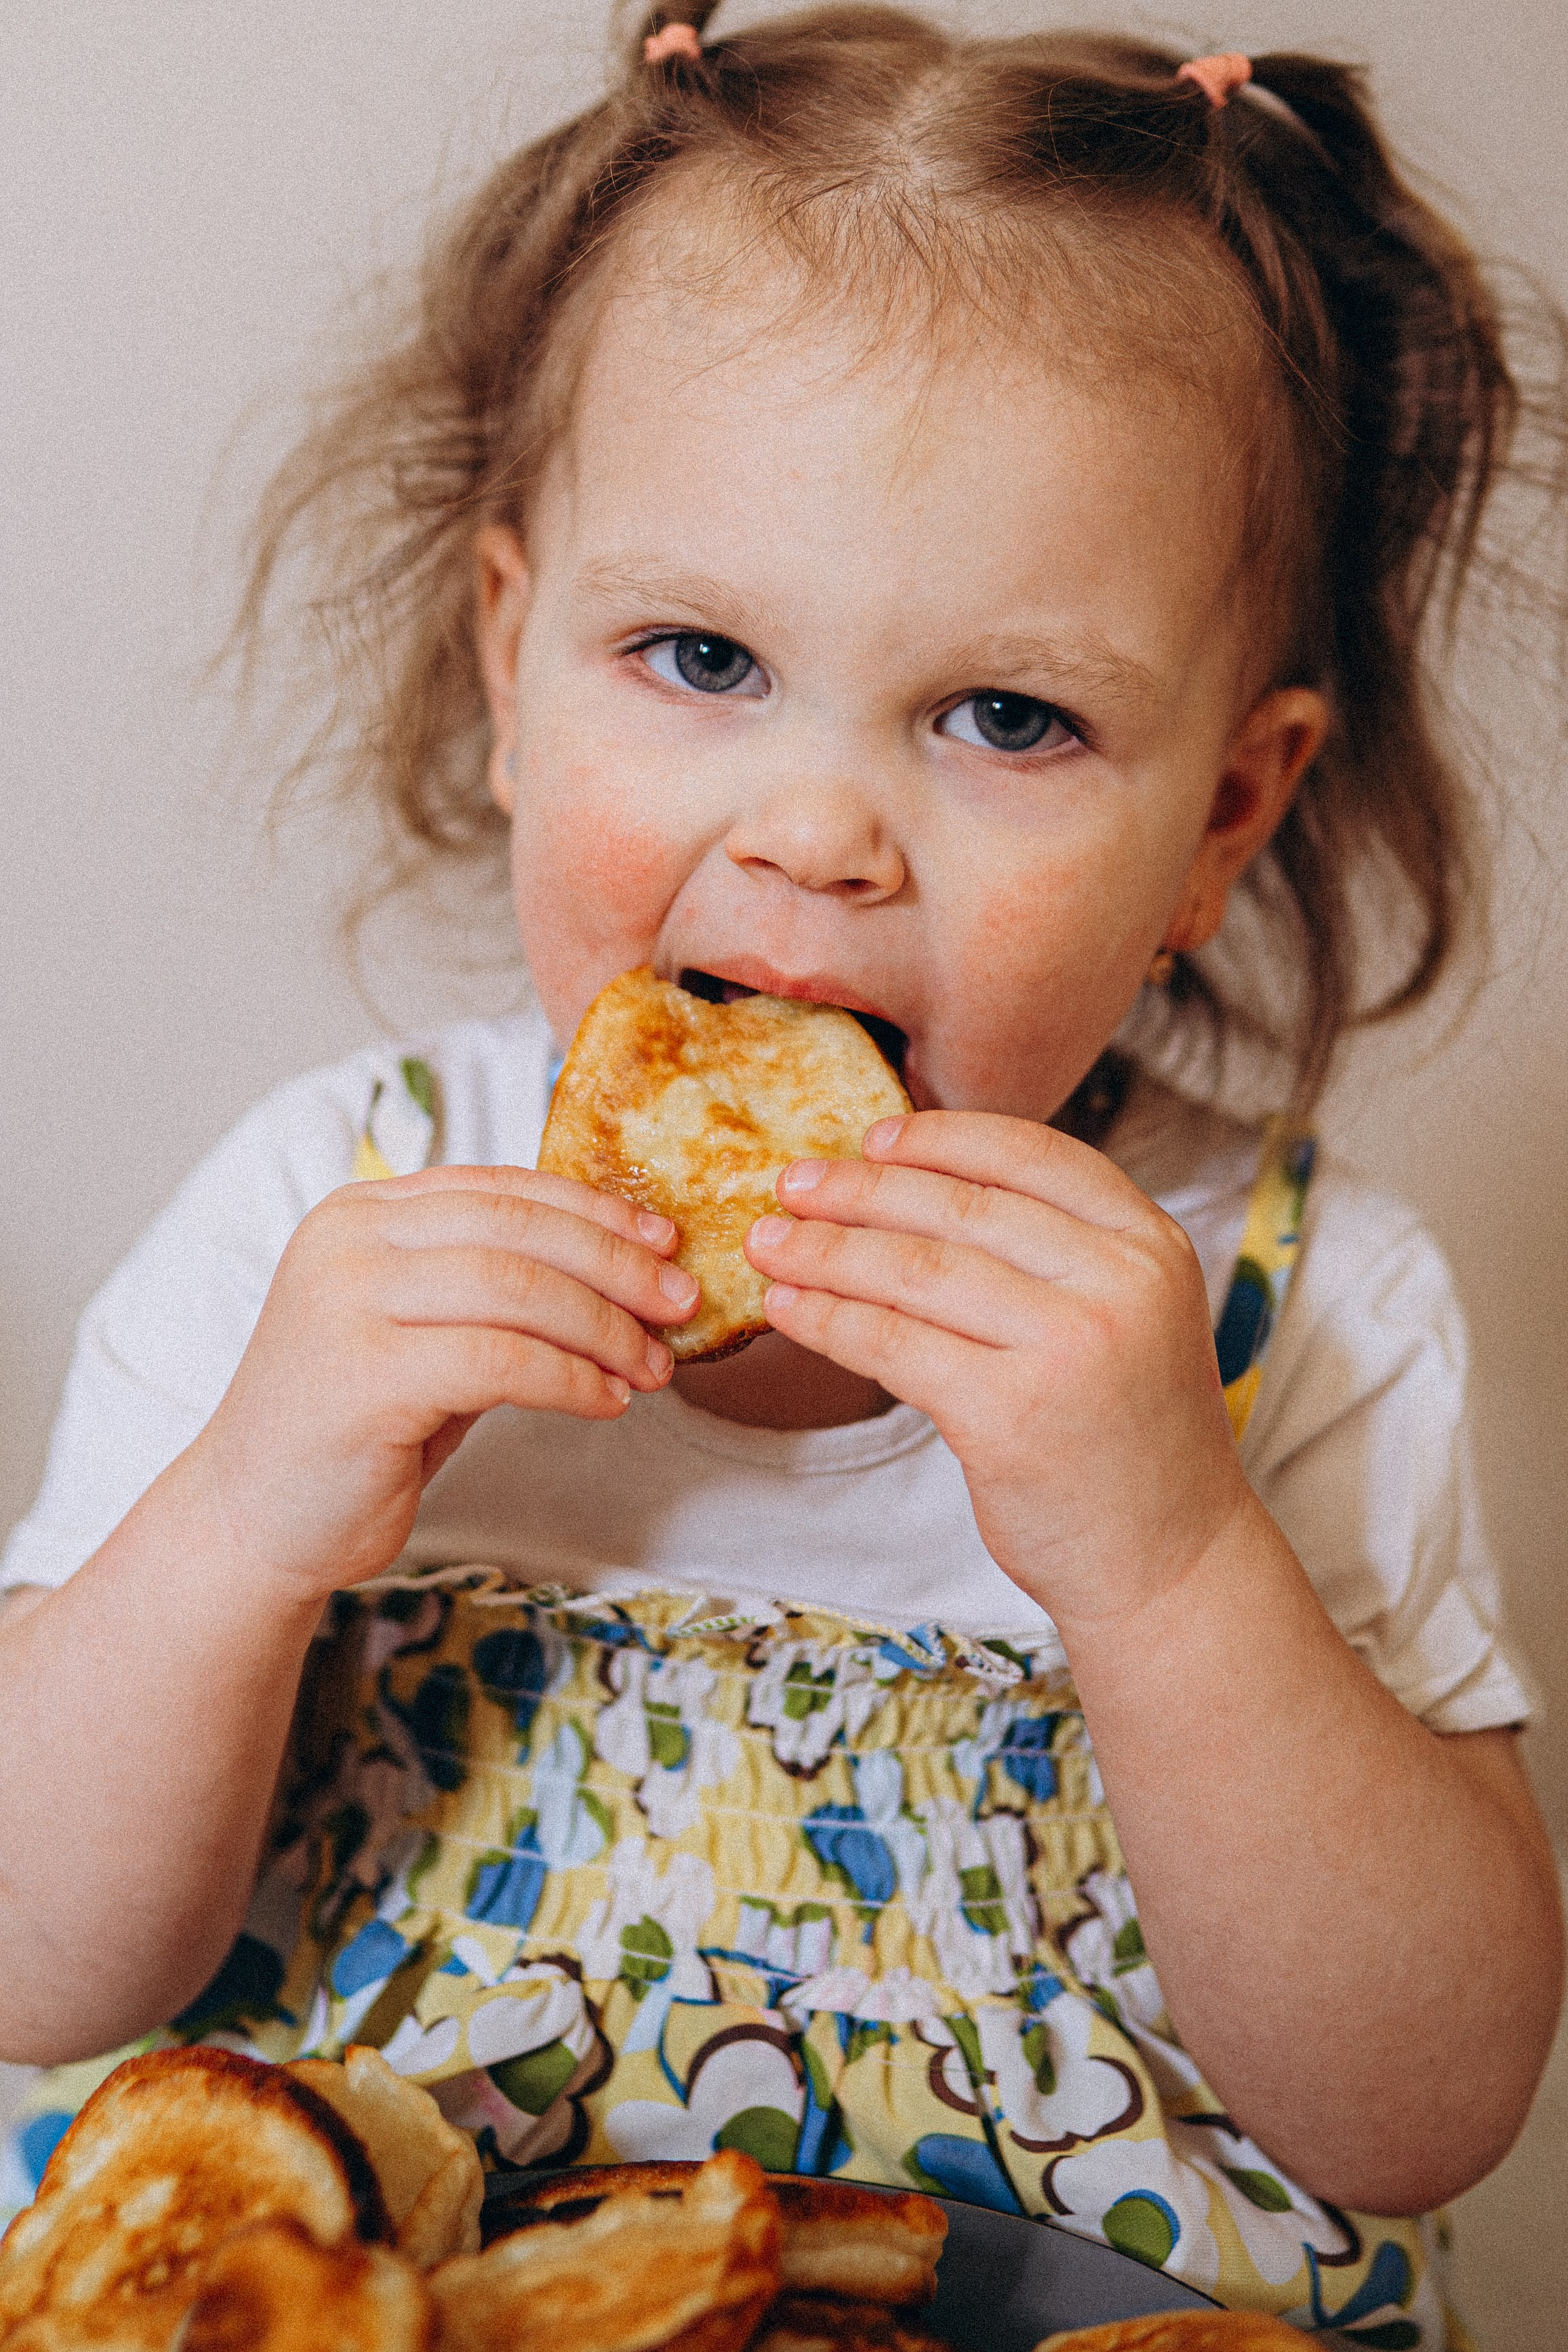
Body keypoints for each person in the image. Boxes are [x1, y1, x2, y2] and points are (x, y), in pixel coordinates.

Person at [0, 8, 1561, 2341]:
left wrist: (1161, 1552)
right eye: (699, 653)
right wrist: (238, 1517)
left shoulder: (1293, 1301)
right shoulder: (326, 1217)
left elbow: (1423, 2103)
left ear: (1222, 816)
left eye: (1006, 716)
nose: (818, 832)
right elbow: (39, 1959)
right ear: (517, 666)